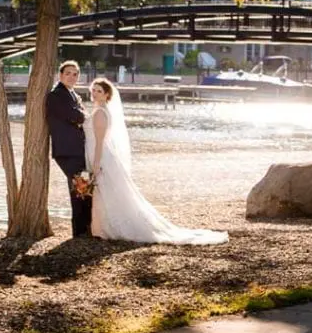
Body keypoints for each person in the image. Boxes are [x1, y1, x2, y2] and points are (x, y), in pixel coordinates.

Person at [86, 77, 228, 245]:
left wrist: (96, 164)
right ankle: (102, 226)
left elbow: (100, 141)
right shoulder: (100, 110)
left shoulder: (101, 113)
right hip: (102, 155)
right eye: (93, 90)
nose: (95, 94)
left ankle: (108, 227)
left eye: (99, 91)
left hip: (101, 157)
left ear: (107, 94)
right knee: (106, 192)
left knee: (106, 192)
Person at [47, 60, 92, 237]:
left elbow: (79, 116)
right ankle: (80, 232)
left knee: (83, 188)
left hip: (77, 149)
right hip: (66, 151)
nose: (72, 77)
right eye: (68, 73)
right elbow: (76, 116)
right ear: (60, 75)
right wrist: (84, 115)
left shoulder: (72, 94)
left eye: (75, 74)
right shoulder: (56, 95)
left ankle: (85, 229)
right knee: (80, 188)